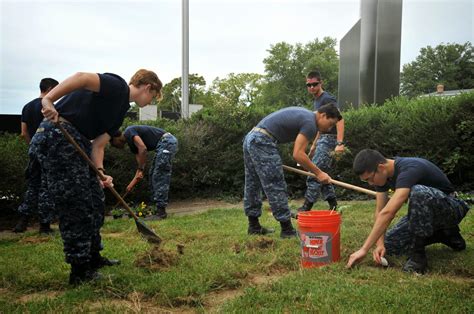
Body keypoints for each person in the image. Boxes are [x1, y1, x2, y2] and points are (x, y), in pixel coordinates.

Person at [31, 69, 163, 285]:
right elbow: (82, 78)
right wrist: (48, 100)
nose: (150, 102)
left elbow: (99, 146)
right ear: (148, 87)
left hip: (79, 142)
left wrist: (101, 174)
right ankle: (80, 271)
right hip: (58, 135)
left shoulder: (119, 111)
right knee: (77, 205)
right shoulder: (117, 87)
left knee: (94, 200)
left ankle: (93, 257)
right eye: (153, 97)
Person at [346, 149, 470, 274]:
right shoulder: (383, 177)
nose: (371, 183)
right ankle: (446, 235)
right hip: (426, 216)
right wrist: (380, 244)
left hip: (451, 209)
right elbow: (380, 211)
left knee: (418, 192)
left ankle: (418, 258)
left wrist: (364, 249)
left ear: (381, 167)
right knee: (390, 245)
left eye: (369, 179)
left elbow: (388, 212)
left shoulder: (409, 169)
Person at [243, 103, 343, 238]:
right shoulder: (311, 123)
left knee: (252, 183)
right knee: (275, 184)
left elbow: (300, 155)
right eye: (330, 124)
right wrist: (319, 173)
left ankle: (253, 226)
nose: (329, 128)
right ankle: (287, 230)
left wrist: (308, 163)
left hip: (252, 137)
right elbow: (298, 154)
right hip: (262, 141)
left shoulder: (306, 116)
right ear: (323, 115)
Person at [13, 78, 59, 234]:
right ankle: (44, 226)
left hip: (33, 150)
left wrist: (33, 146)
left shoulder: (27, 107)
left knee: (33, 186)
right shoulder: (51, 106)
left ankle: (22, 222)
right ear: (50, 88)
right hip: (49, 151)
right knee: (47, 187)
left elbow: (23, 133)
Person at [297, 71, 345, 213]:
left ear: (320, 83)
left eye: (314, 84)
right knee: (322, 175)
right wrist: (314, 145)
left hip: (330, 140)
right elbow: (320, 125)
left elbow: (340, 119)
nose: (311, 87)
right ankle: (334, 206)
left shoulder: (327, 98)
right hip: (322, 139)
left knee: (315, 172)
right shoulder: (317, 100)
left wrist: (340, 143)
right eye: (309, 85)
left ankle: (306, 208)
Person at [111, 125, 178, 220]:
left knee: (159, 175)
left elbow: (143, 148)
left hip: (166, 141)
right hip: (163, 144)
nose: (115, 146)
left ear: (115, 138)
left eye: (113, 144)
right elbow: (140, 165)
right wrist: (132, 183)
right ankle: (154, 209)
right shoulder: (132, 144)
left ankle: (161, 212)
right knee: (152, 175)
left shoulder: (128, 132)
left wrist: (141, 169)